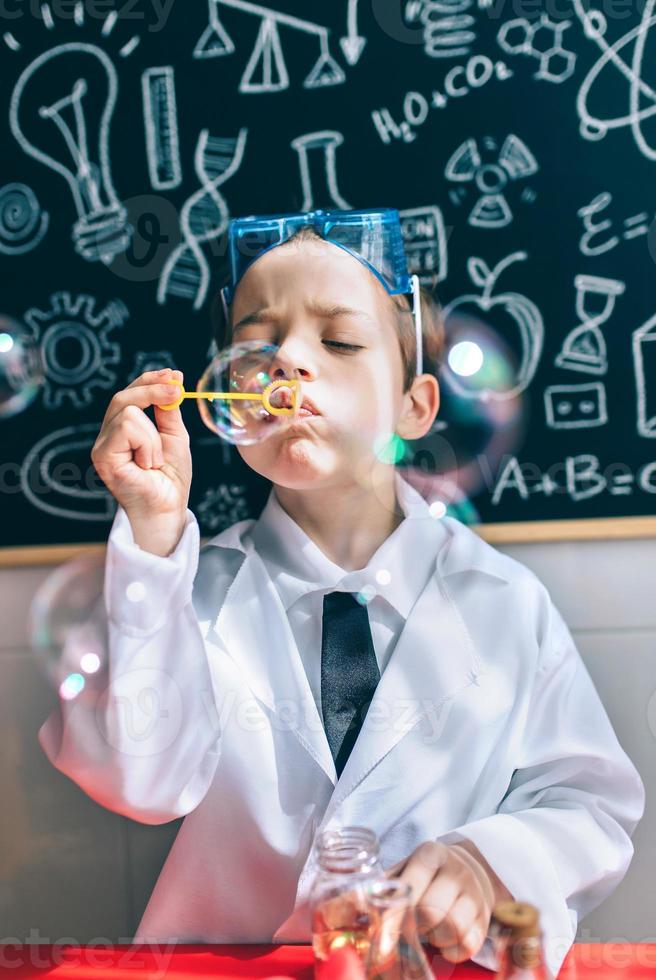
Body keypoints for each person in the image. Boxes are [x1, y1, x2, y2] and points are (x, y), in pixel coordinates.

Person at [38, 209, 644, 978]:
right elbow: (141, 785)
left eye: (340, 340)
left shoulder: (503, 602)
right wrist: (155, 534)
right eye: (257, 344)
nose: (287, 361)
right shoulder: (177, 588)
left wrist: (488, 859)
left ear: (414, 407)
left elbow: (590, 804)